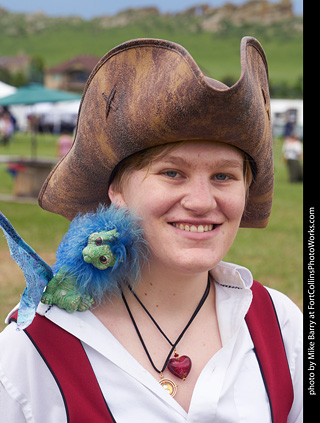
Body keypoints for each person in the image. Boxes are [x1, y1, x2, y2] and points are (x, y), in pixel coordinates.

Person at [0, 37, 302, 422]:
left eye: (224, 176)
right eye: (172, 173)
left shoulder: (283, 327)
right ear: (117, 191)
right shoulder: (32, 352)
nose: (201, 200)